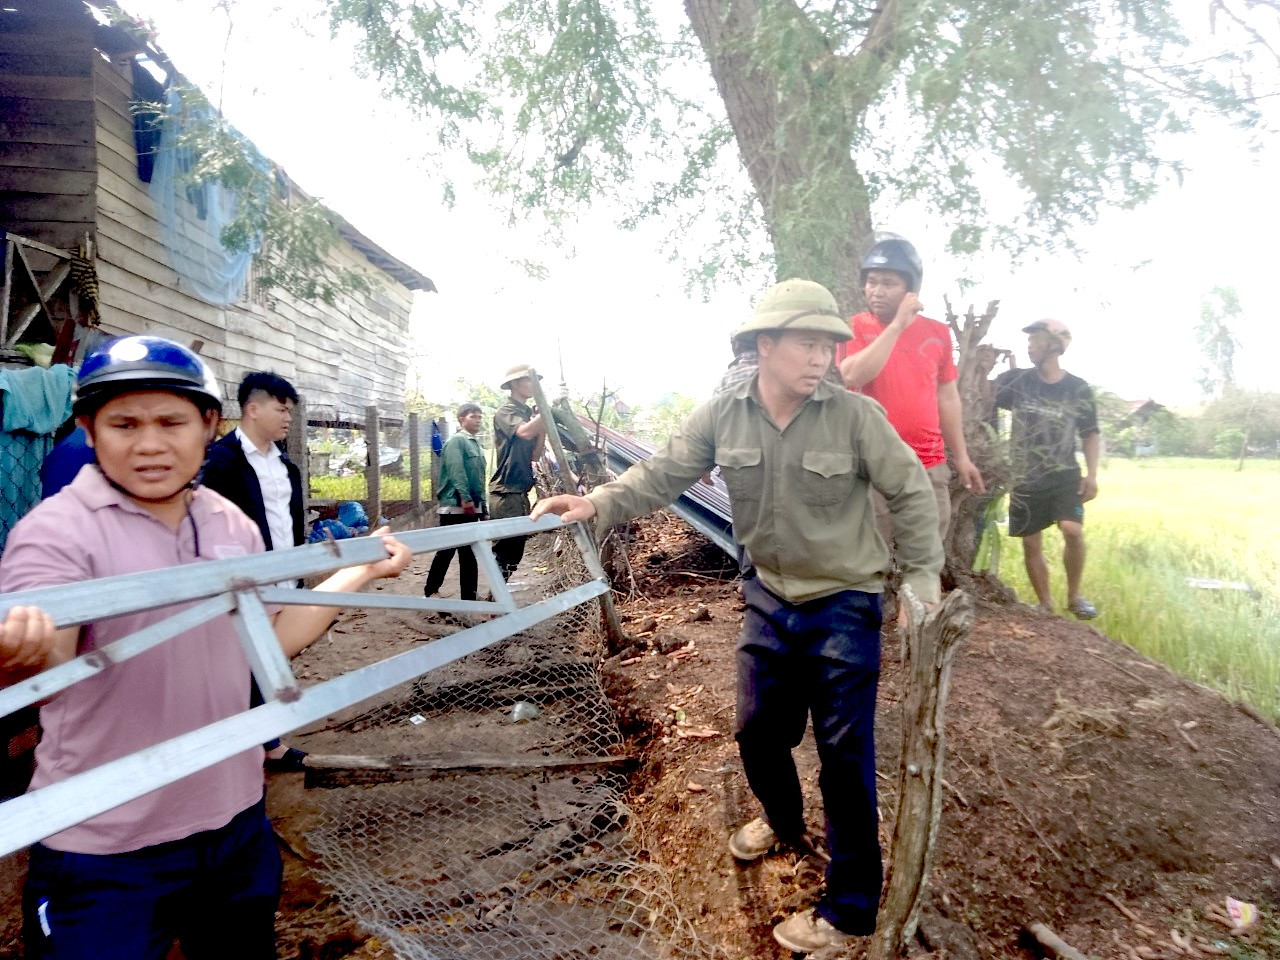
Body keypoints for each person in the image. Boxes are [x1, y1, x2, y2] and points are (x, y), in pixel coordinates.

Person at [532, 279, 942, 952]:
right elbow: (661, 474)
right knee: (758, 731)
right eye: (808, 344)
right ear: (765, 345)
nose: (822, 359)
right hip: (770, 596)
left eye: (829, 347)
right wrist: (596, 503)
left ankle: (849, 911)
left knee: (844, 756)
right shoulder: (723, 415)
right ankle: (783, 820)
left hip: (845, 601)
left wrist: (921, 577)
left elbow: (911, 490)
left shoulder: (856, 418)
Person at [0, 336, 411, 959]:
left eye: (171, 421)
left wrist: (359, 573)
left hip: (235, 824)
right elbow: (50, 653)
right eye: (123, 423)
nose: (149, 444)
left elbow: (269, 643)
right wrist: (22, 652)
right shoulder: (55, 533)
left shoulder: (228, 523)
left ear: (209, 426)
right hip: (104, 846)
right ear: (87, 428)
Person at [837, 237, 985, 550]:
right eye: (872, 282)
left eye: (888, 283)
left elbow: (948, 398)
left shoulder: (938, 333)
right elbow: (852, 375)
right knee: (869, 556)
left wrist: (962, 457)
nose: (876, 290)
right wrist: (896, 327)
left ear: (910, 288)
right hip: (872, 464)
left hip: (928, 465)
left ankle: (920, 602)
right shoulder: (855, 327)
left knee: (925, 557)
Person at [201, 371, 308, 772]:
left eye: (290, 412)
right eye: (281, 410)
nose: (287, 419)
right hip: (243, 585)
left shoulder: (286, 467)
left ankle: (265, 742)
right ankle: (251, 746)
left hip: (283, 582)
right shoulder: (221, 461)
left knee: (272, 661)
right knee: (241, 662)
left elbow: (290, 523)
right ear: (253, 408)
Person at [994, 319, 1101, 619]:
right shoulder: (1019, 381)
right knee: (1031, 541)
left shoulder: (1078, 389)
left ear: (1055, 345)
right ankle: (1045, 604)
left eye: (1036, 340)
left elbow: (1090, 434)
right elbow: (984, 395)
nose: (1030, 346)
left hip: (1065, 475)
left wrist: (1092, 475)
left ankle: (1074, 596)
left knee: (1072, 530)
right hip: (1024, 475)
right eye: (1029, 341)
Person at [423, 402, 487, 604]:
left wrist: (482, 507)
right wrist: (466, 499)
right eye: (472, 416)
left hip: (471, 507)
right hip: (455, 506)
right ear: (462, 419)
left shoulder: (475, 444)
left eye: (479, 416)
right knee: (447, 550)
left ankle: (469, 596)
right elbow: (456, 471)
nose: (477, 420)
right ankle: (431, 591)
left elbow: (480, 477)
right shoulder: (456, 442)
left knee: (469, 553)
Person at [488, 364, 548, 582]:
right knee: (505, 552)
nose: (534, 385)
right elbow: (523, 432)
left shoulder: (528, 413)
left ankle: (494, 601)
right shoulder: (506, 411)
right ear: (514, 384)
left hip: (519, 491)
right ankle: (494, 605)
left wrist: (542, 424)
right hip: (505, 491)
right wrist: (546, 413)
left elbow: (535, 455)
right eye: (528, 380)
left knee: (515, 553)